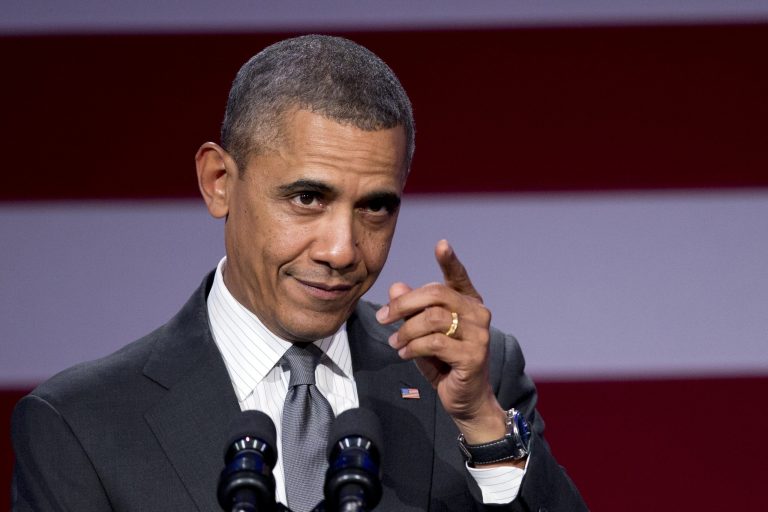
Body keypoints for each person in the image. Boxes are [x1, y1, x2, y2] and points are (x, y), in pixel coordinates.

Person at [11, 35, 587, 511]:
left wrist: (483, 423)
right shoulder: (80, 425)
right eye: (308, 198)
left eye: (375, 207)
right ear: (219, 182)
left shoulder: (475, 381)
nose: (342, 250)